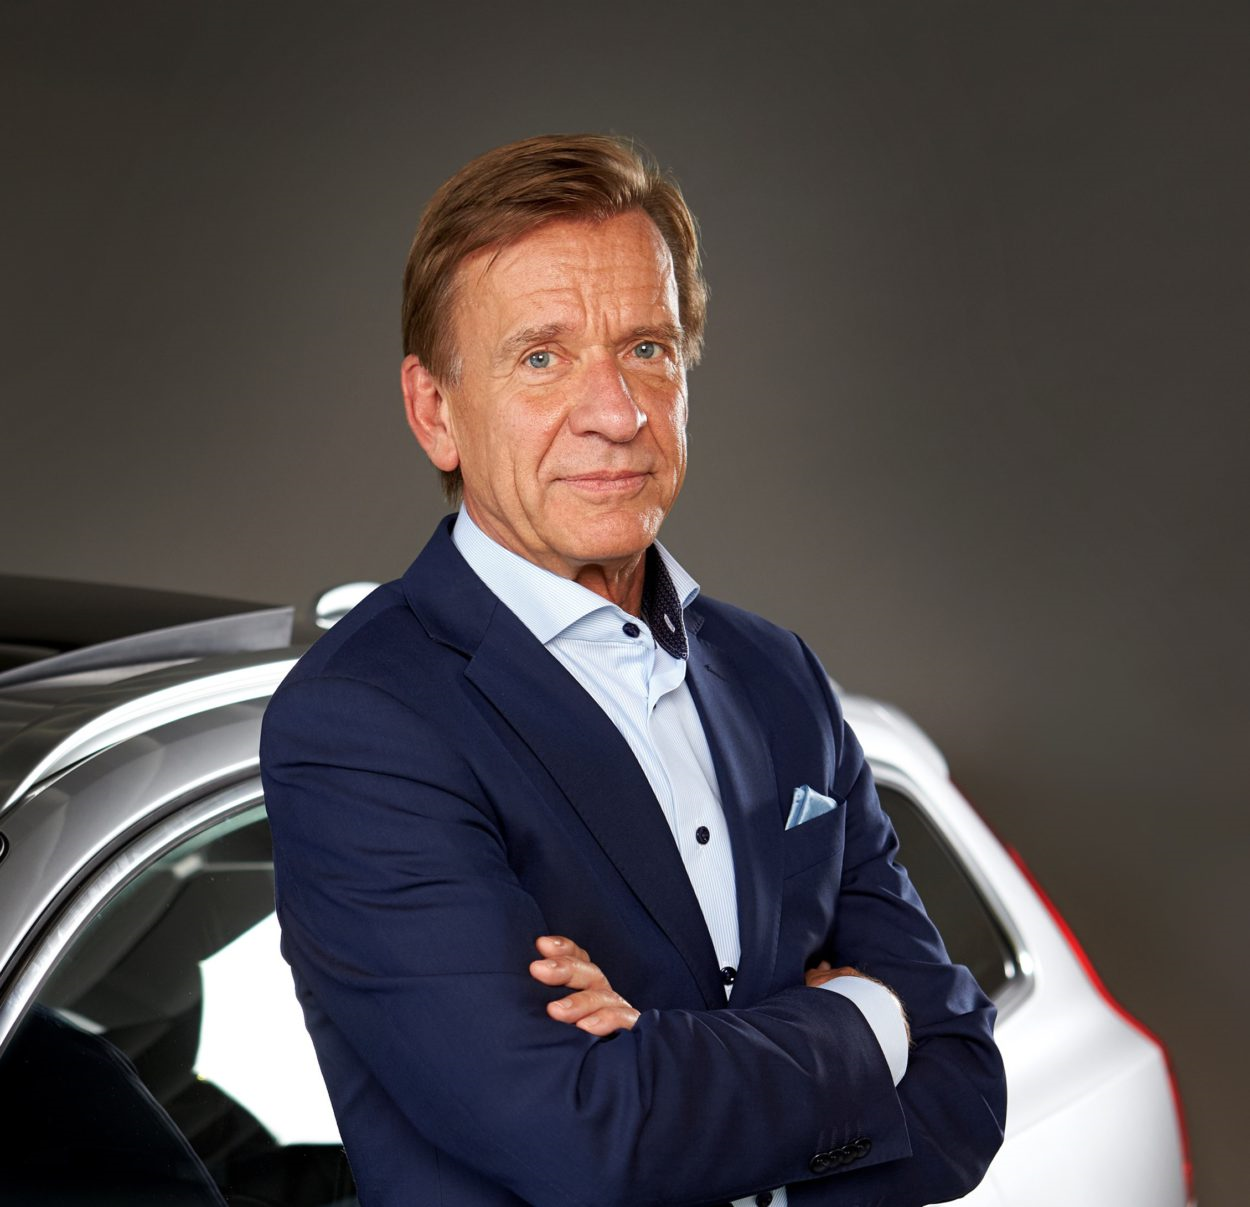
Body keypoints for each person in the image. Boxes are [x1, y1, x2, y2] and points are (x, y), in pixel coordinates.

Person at [260, 133, 1006, 1207]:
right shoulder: (366, 720)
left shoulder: (775, 676)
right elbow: (583, 1135)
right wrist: (867, 1018)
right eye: (541, 358)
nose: (615, 414)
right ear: (435, 412)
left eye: (647, 348)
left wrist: (660, 1054)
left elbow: (964, 1089)